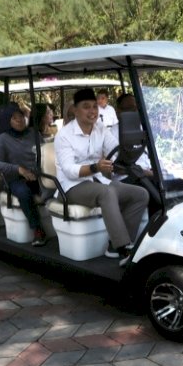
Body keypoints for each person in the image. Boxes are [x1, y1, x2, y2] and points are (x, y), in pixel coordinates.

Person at [55, 88, 149, 266]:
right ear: (75, 110)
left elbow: (115, 149)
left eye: (94, 107)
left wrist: (127, 154)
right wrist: (95, 167)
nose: (92, 111)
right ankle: (123, 247)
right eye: (86, 107)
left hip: (99, 181)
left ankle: (116, 245)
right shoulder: (64, 135)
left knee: (140, 194)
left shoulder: (100, 128)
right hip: (71, 187)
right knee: (106, 193)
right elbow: (68, 170)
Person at [0, 103, 47, 246]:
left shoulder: (34, 134)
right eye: (15, 118)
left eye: (21, 117)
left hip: (37, 175)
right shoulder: (3, 139)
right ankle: (38, 230)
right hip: (16, 178)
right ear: (8, 121)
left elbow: (45, 153)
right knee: (23, 192)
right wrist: (18, 169)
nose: (20, 120)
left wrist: (37, 170)